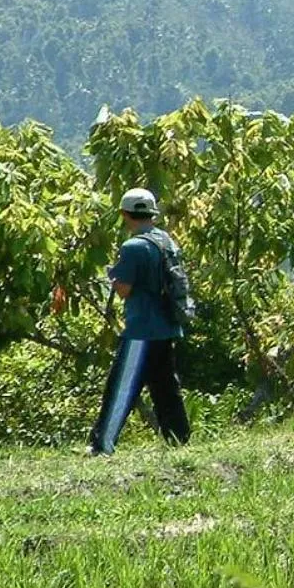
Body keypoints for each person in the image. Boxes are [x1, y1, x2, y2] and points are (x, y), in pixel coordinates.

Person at [88, 188, 192, 455]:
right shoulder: (165, 240)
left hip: (141, 330)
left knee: (121, 388)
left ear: (125, 214)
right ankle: (179, 439)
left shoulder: (133, 246)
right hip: (167, 327)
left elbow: (124, 289)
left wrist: (113, 276)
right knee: (166, 386)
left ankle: (103, 444)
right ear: (152, 213)